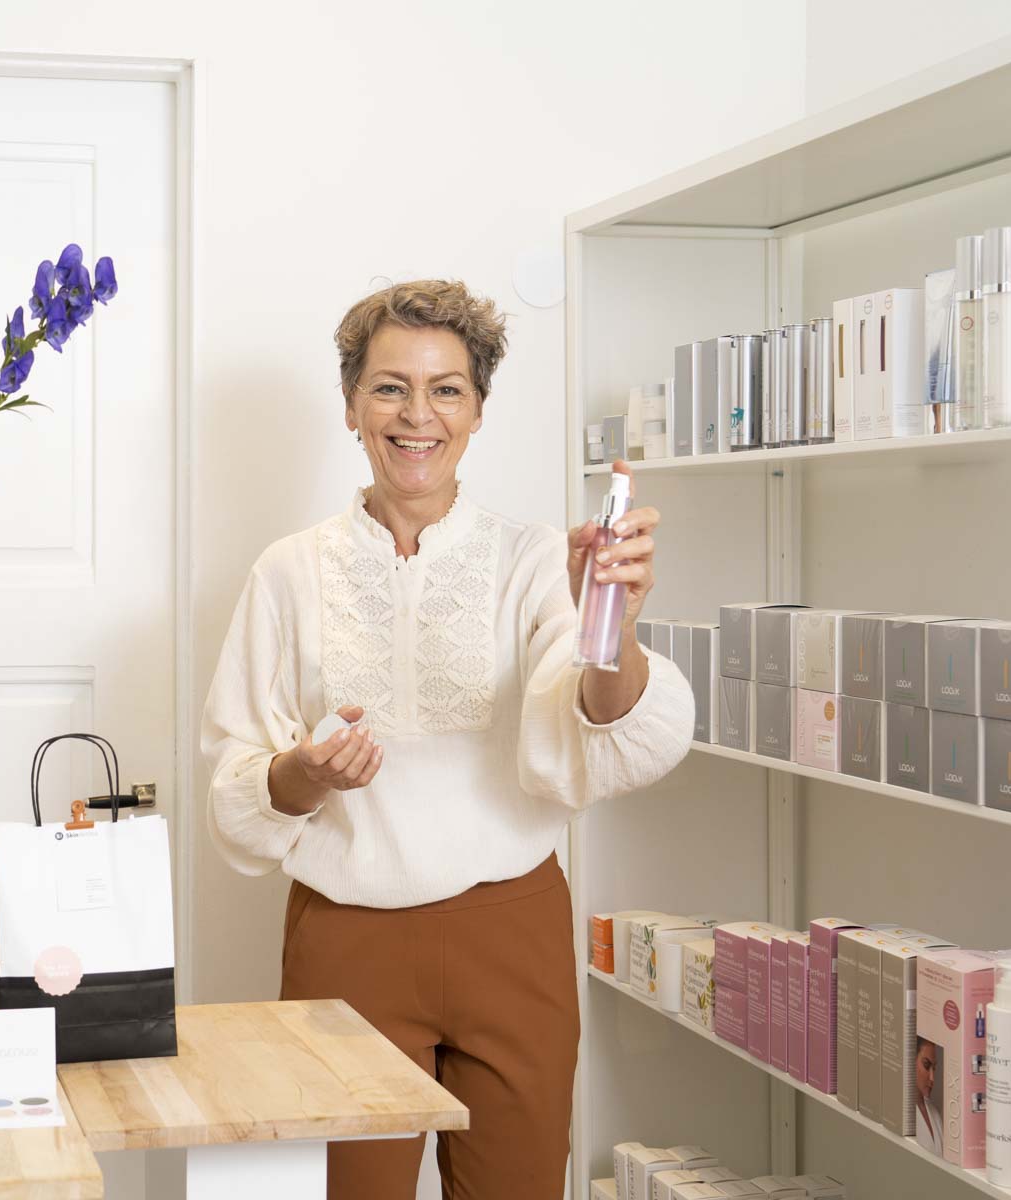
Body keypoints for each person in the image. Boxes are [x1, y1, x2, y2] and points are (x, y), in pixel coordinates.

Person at [203, 280, 694, 1198]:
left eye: (446, 389)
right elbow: (237, 777)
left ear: (478, 410)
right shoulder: (287, 573)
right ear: (351, 405)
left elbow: (593, 716)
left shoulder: (538, 558)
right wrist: (304, 775)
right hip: (346, 944)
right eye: (390, 387)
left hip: (511, 933)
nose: (416, 415)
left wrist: (613, 623)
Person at [914, 1036, 943, 1156]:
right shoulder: (903, 1113)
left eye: (934, 1068)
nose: (932, 1078)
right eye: (926, 1065)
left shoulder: (935, 1113)